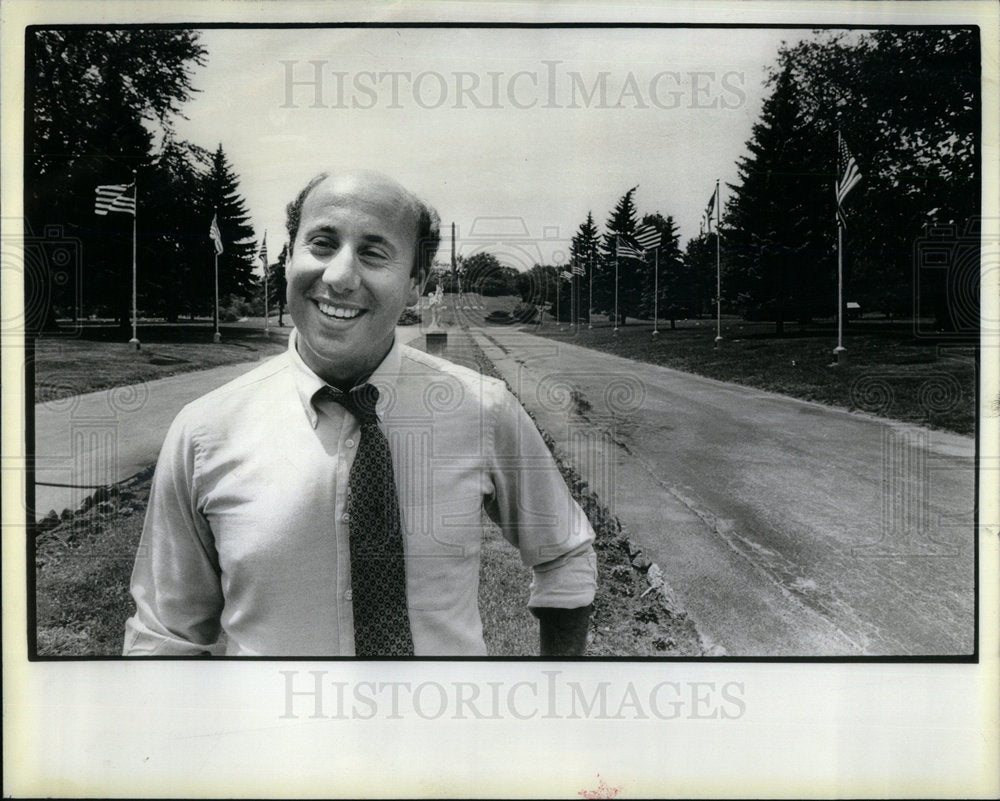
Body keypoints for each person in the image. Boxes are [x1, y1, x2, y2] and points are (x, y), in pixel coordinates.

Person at [123, 169, 597, 657]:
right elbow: (164, 637)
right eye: (322, 244)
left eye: (373, 253)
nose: (339, 276)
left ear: (417, 283)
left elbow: (565, 554)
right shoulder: (205, 432)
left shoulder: (483, 410)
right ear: (288, 257)